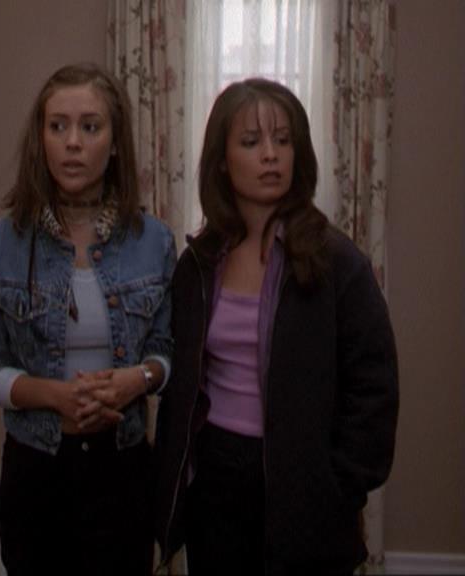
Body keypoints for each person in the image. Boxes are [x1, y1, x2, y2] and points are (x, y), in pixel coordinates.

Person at [153, 78, 399, 576]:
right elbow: (179, 384)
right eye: (251, 142)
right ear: (223, 161)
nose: (270, 154)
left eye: (283, 140)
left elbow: (374, 385)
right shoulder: (198, 264)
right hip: (216, 481)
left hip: (305, 488)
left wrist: (339, 484)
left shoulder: (335, 261)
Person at [0, 63, 176, 576]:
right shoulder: (0, 245)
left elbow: (169, 348)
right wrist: (54, 397)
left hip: (123, 468)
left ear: (115, 143)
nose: (73, 142)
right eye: (58, 126)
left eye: (90, 126)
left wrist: (138, 379)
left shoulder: (154, 242)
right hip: (36, 469)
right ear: (41, 140)